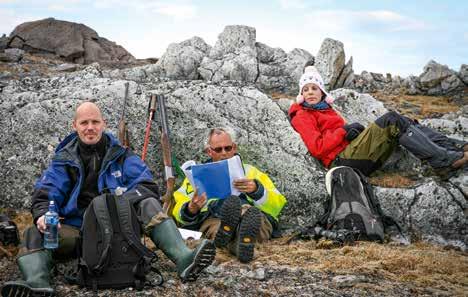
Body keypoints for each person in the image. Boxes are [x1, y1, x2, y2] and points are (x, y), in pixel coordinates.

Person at [1, 102, 215, 297]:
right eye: (84, 123)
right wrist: (44, 215)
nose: (90, 127)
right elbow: (46, 193)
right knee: (34, 232)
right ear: (74, 125)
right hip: (79, 232)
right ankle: (37, 283)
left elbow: (147, 187)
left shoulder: (122, 155)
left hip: (121, 227)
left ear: (104, 123)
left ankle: (184, 258)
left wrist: (118, 203)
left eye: (95, 122)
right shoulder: (63, 159)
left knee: (148, 202)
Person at [288, 66, 468, 177]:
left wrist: (352, 135)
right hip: (340, 164)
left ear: (322, 92)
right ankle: (444, 161)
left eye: (314, 88)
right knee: (392, 120)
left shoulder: (326, 110)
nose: (310, 92)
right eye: (306, 89)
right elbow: (317, 148)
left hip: (351, 156)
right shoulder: (303, 114)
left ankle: (455, 147)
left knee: (403, 120)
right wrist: (343, 131)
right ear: (301, 95)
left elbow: (334, 136)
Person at [172, 128, 287, 263]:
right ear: (209, 151)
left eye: (228, 148)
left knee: (253, 219)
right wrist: (191, 209)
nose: (224, 153)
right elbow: (179, 206)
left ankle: (236, 238)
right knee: (216, 229)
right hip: (215, 219)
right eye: (218, 149)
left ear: (234, 147)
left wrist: (257, 190)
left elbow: (278, 204)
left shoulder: (251, 171)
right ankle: (241, 245)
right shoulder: (197, 176)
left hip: (252, 217)